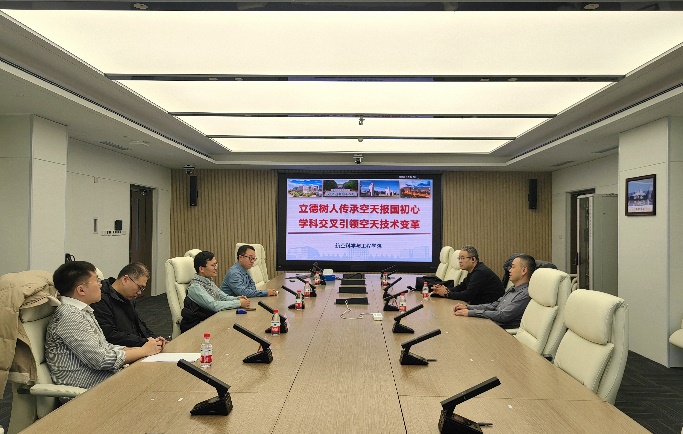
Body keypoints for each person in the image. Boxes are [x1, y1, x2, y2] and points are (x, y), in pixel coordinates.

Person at [45, 261, 161, 395]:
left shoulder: (83, 310)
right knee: (156, 386)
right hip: (88, 392)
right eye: (97, 281)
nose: (101, 285)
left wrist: (138, 349)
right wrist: (143, 351)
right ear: (81, 290)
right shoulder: (70, 316)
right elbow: (101, 360)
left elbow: (105, 346)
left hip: (106, 381)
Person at [91, 262, 167, 348]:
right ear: (125, 279)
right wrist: (145, 342)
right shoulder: (99, 299)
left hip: (136, 346)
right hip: (121, 351)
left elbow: (140, 326)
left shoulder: (128, 297)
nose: (140, 292)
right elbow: (109, 335)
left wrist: (155, 339)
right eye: (139, 287)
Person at [453, 255, 536, 329]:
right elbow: (493, 305)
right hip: (491, 323)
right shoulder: (512, 289)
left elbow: (503, 316)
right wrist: (468, 307)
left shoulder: (525, 294)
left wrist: (471, 312)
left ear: (524, 270)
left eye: (513, 267)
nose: (510, 270)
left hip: (501, 331)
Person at [180, 251, 250, 332]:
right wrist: (239, 303)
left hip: (211, 321)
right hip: (197, 328)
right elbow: (214, 305)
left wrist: (238, 299)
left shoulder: (208, 281)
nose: (216, 268)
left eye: (216, 264)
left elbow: (223, 297)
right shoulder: (195, 287)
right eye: (213, 265)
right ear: (201, 269)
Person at [431, 245, 503, 305]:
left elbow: (467, 295)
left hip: (490, 308)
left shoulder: (480, 272)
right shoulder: (473, 271)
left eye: (462, 258)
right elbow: (461, 287)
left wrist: (446, 293)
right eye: (459, 258)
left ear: (473, 259)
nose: (460, 261)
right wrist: (445, 290)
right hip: (481, 306)